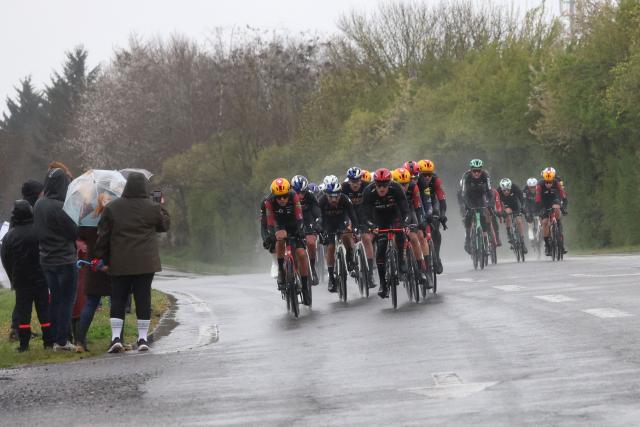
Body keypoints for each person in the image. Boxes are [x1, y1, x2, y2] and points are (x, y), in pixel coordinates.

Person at [95, 172, 171, 353]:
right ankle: (143, 339)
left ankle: (115, 338)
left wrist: (101, 258)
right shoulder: (152, 208)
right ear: (144, 187)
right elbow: (164, 225)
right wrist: (161, 206)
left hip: (119, 262)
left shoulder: (112, 208)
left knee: (118, 299)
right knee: (143, 298)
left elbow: (103, 236)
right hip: (146, 263)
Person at [33, 168, 78, 352]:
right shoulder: (61, 207)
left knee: (55, 299)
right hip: (64, 259)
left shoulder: (39, 204)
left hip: (46, 258)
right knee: (67, 301)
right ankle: (62, 341)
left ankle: (51, 339)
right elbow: (74, 232)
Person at [1, 200, 53, 352]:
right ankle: (48, 342)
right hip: (42, 277)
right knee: (44, 310)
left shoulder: (10, 236)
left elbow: (5, 259)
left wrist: (13, 277)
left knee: (23, 312)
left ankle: (24, 345)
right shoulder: (40, 230)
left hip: (22, 280)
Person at [361, 168, 410, 298]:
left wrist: (405, 224)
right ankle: (383, 284)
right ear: (374, 184)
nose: (382, 188)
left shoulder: (397, 188)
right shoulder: (368, 192)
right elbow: (364, 214)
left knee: (400, 234)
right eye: (379, 185)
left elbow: (405, 210)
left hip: (395, 215)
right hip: (378, 218)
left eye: (384, 185)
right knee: (381, 250)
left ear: (389, 183)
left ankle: (401, 260)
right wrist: (371, 226)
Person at [9, 180, 45, 341]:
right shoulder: (32, 211)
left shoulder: (18, 211)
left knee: (23, 302)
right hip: (33, 266)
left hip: (21, 269)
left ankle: (18, 329)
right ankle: (18, 330)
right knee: (30, 303)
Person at [263, 178, 310, 301]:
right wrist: (272, 235)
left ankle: (305, 286)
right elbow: (270, 222)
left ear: (289, 193)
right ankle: (281, 271)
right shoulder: (269, 201)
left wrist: (300, 230)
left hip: (294, 222)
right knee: (279, 238)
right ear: (274, 196)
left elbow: (299, 216)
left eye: (284, 196)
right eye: (279, 197)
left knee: (301, 254)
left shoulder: (294, 196)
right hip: (280, 224)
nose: (282, 199)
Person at [317, 175, 358, 293]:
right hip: (327, 223)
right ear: (326, 194)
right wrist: (320, 231)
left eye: (336, 195)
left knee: (346, 235)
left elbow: (353, 216)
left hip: (342, 219)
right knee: (330, 247)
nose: (334, 199)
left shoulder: (345, 199)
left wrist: (355, 228)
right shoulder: (321, 201)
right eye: (331, 196)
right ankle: (331, 278)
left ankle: (350, 257)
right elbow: (318, 219)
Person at [392, 167, 429, 283]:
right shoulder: (391, 188)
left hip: (410, 210)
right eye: (400, 184)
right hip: (395, 212)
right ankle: (399, 262)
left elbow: (418, 207)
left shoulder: (413, 186)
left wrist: (421, 221)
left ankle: (421, 269)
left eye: (405, 184)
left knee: (414, 237)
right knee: (395, 237)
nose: (403, 187)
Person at [341, 167, 375, 287]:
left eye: (357, 181)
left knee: (366, 239)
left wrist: (372, 221)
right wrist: (346, 223)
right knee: (347, 235)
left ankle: (370, 273)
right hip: (348, 214)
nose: (355, 184)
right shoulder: (343, 188)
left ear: (361, 179)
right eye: (352, 181)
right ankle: (350, 255)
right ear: (348, 180)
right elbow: (341, 206)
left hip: (362, 214)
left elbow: (371, 204)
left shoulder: (367, 186)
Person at [417, 159, 447, 273]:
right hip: (418, 204)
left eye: (430, 174)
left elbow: (441, 199)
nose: (427, 177)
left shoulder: (435, 181)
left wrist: (442, 215)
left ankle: (437, 257)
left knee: (435, 229)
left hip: (431, 204)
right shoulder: (416, 181)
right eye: (424, 175)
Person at [291, 175, 321, 285]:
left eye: (303, 193)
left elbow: (316, 210)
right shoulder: (288, 196)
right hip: (293, 220)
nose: (300, 196)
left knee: (311, 242)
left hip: (308, 218)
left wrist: (318, 221)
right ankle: (292, 269)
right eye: (297, 193)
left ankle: (312, 269)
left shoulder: (310, 195)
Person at [461, 159, 494, 254]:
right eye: (474, 171)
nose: (476, 173)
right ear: (471, 170)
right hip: (469, 198)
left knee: (483, 216)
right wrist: (467, 206)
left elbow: (489, 192)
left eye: (478, 171)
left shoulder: (485, 176)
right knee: (468, 216)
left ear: (481, 170)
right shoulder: (466, 176)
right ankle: (468, 239)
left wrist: (490, 205)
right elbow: (463, 193)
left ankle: (485, 240)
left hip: (481, 197)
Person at [535, 167, 567, 256]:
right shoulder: (539, 185)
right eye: (546, 182)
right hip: (544, 203)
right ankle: (547, 246)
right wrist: (538, 210)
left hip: (554, 200)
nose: (548, 184)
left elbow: (563, 196)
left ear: (553, 179)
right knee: (545, 222)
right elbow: (537, 199)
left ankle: (559, 235)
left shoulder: (557, 183)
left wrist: (563, 207)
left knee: (557, 210)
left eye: (550, 182)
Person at [497, 178, 527, 254]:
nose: (506, 192)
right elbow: (497, 203)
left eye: (508, 190)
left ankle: (522, 241)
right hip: (506, 206)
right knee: (506, 216)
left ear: (510, 187)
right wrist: (499, 212)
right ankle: (509, 233)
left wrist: (523, 207)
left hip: (515, 205)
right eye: (504, 190)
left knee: (519, 221)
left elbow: (521, 198)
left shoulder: (514, 187)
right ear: (501, 189)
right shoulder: (498, 191)